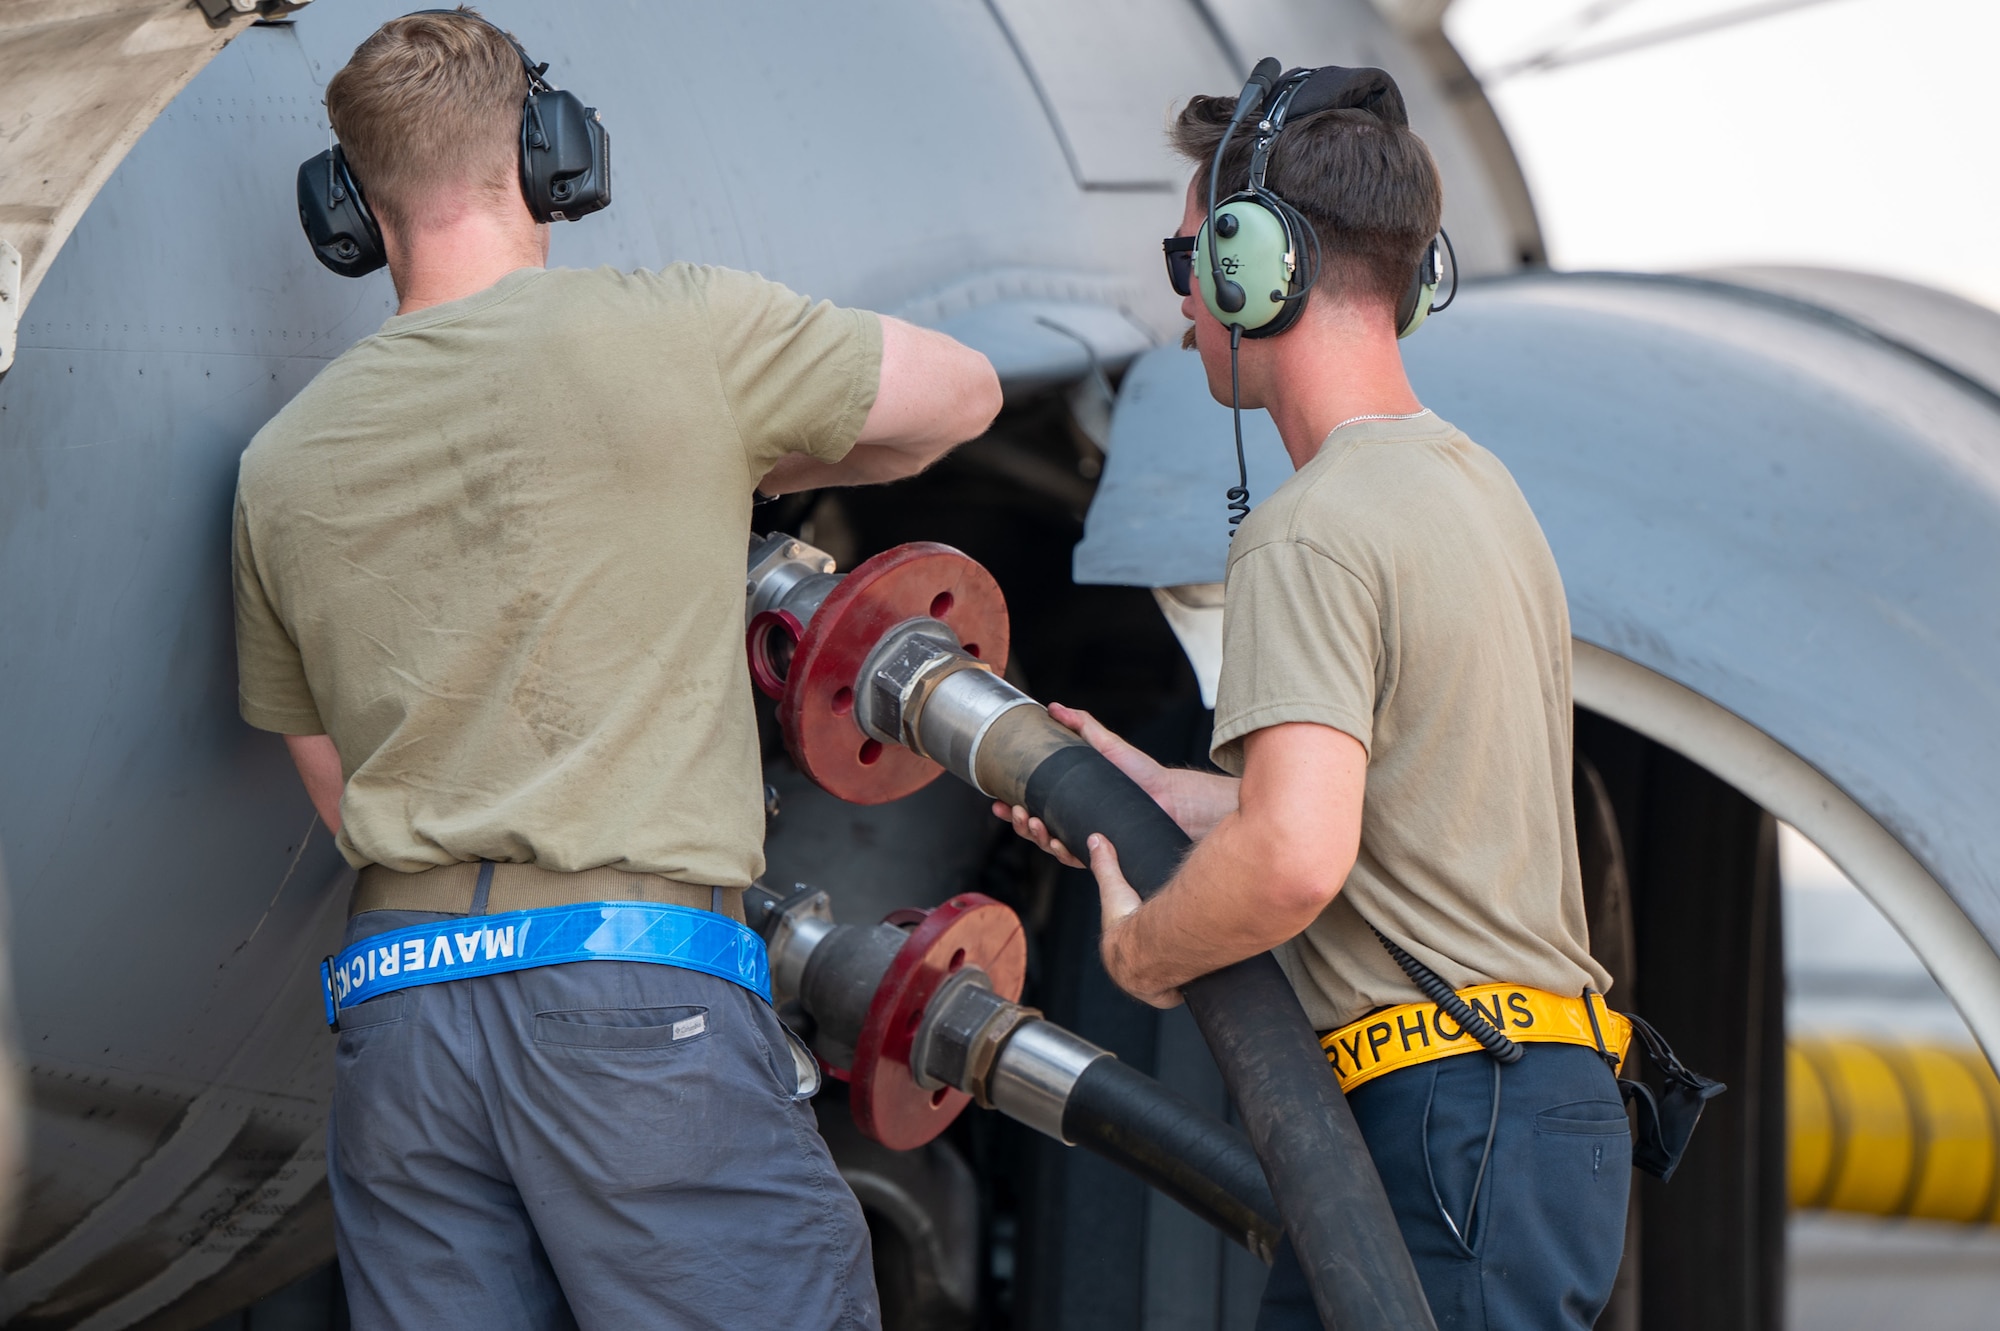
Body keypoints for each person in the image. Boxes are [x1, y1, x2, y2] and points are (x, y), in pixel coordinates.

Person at [232, 10, 1000, 1328]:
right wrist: (724, 456)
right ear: (549, 158)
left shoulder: (283, 463)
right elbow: (964, 393)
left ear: (348, 208)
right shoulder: (678, 334)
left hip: (401, 1024)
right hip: (633, 991)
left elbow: (327, 778)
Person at [998, 69, 1630, 1330]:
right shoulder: (1473, 487)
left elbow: (1295, 858)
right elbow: (1410, 801)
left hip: (1448, 1118)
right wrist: (1181, 798)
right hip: (1523, 1113)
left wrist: (1145, 947)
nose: (1182, 297)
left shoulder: (1313, 525)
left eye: (1191, 251)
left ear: (1252, 265)